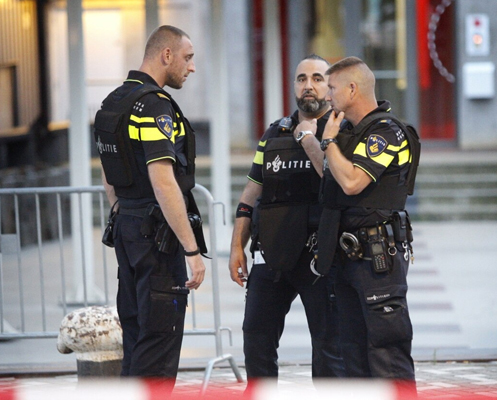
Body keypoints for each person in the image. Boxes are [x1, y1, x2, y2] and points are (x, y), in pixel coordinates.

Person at [94, 25, 207, 390]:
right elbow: (163, 182)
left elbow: (109, 177)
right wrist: (191, 249)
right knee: (159, 339)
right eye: (188, 58)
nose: (191, 68)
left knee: (137, 333)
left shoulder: (113, 101)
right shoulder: (154, 105)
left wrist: (123, 212)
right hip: (155, 236)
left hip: (127, 225)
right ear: (166, 55)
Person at [228, 54, 346, 386]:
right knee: (256, 337)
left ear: (330, 86)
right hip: (272, 254)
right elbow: (250, 194)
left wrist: (309, 138)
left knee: (328, 347)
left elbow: (337, 180)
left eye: (318, 79)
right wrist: (237, 245)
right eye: (301, 78)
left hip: (319, 257)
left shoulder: (341, 129)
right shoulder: (274, 133)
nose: (308, 85)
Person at [315, 56, 420, 382]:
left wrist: (329, 142)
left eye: (331, 88)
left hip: (377, 261)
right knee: (353, 354)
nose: (326, 95)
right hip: (346, 258)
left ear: (352, 88)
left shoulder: (386, 132)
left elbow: (352, 182)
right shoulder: (349, 132)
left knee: (387, 353)